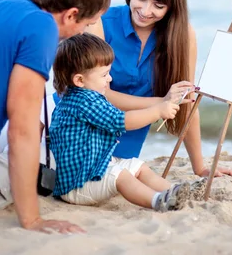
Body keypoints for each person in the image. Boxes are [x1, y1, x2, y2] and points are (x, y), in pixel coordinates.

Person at [0, 0, 111, 233]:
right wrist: (32, 220)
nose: (83, 32)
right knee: (32, 171)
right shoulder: (41, 29)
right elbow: (23, 131)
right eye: (88, 24)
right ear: (71, 15)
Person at [89, 0, 232, 178]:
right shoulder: (100, 21)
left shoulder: (183, 35)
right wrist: (161, 104)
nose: (146, 11)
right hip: (83, 128)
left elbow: (186, 102)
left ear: (171, 7)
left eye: (158, 5)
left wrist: (200, 168)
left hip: (126, 145)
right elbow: (95, 94)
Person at [50, 33, 207, 210]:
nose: (109, 79)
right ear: (79, 80)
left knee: (136, 165)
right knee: (121, 175)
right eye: (104, 75)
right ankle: (158, 200)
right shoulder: (85, 102)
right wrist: (157, 111)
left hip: (91, 169)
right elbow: (122, 121)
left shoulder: (81, 97)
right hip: (78, 185)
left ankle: (175, 191)